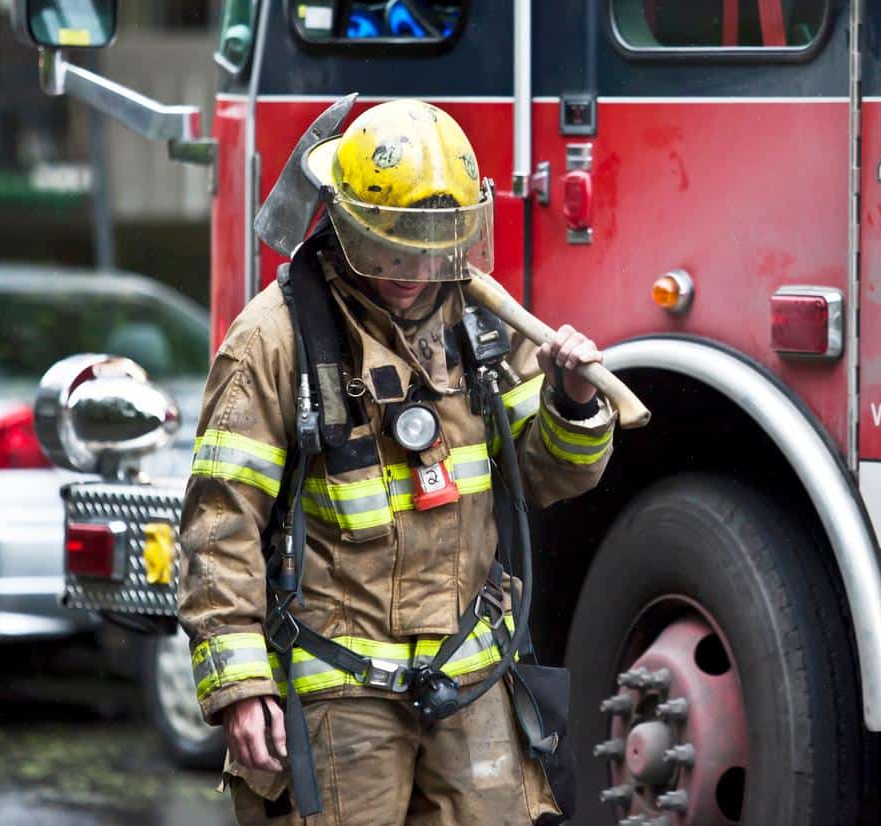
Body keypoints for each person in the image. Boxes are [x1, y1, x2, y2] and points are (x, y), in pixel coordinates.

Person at [178, 99, 615, 825]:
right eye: (391, 245)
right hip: (339, 700)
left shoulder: (479, 323)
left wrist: (570, 401)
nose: (412, 269)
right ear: (345, 220)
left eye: (432, 243)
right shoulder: (274, 339)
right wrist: (241, 685)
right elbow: (220, 524)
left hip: (471, 683)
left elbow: (546, 474)